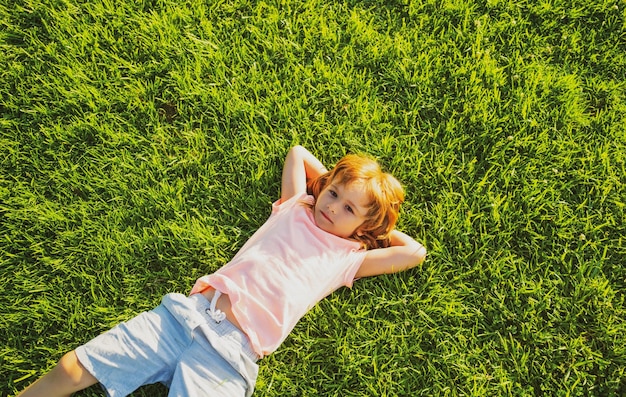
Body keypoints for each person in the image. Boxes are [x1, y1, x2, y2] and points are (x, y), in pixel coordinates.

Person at [17, 145, 427, 397]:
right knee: (73, 367)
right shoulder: (294, 208)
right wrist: (328, 185)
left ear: (364, 227)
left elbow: (414, 252)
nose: (332, 207)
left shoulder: (348, 257)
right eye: (333, 193)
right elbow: (298, 153)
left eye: (348, 209)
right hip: (185, 317)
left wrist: (373, 227)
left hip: (232, 355)